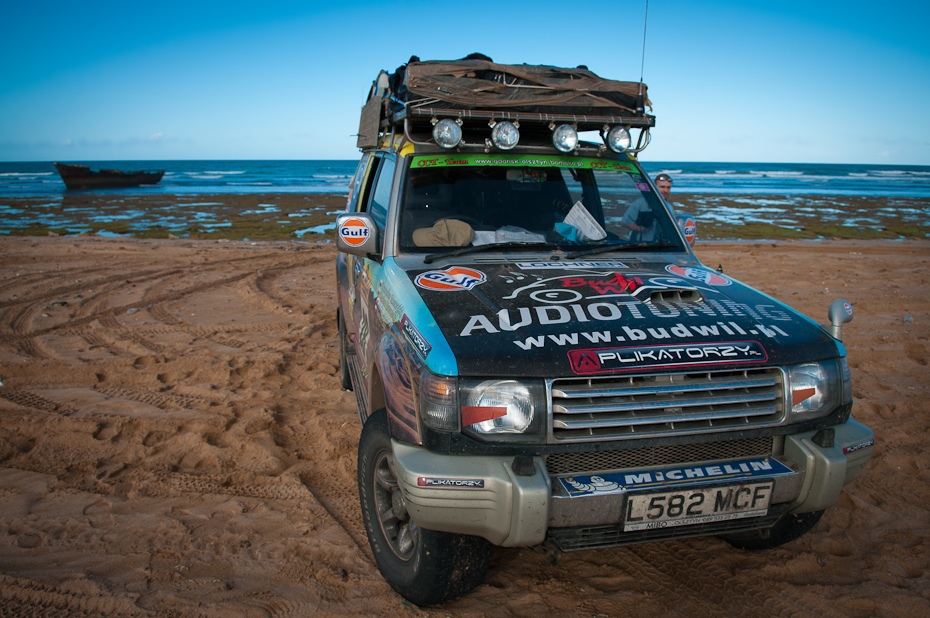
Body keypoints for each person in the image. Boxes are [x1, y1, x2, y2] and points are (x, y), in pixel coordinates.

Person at [621, 173, 673, 241]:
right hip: (640, 246)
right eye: (662, 187)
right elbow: (624, 222)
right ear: (654, 187)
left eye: (668, 187)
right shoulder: (640, 202)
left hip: (660, 246)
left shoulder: (669, 207)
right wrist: (639, 228)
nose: (665, 190)